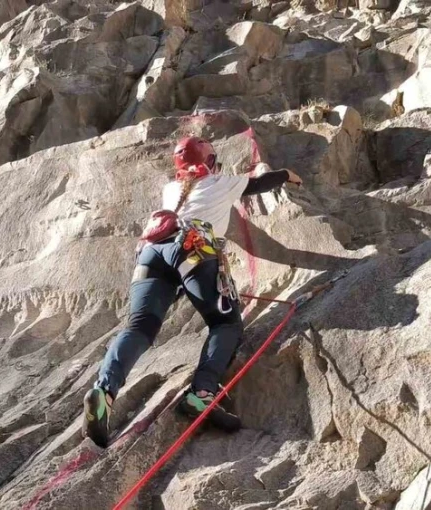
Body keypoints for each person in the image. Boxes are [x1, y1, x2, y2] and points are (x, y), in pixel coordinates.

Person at [83, 136, 302, 448]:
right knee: (225, 323)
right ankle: (202, 394)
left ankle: (103, 391)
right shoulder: (220, 182)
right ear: (209, 162)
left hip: (151, 252)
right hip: (192, 249)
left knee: (139, 328)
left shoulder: (170, 190)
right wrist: (288, 175)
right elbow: (259, 183)